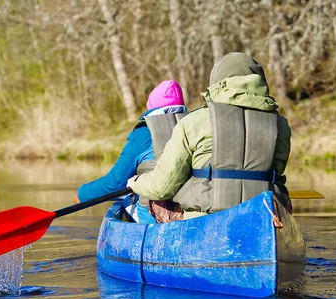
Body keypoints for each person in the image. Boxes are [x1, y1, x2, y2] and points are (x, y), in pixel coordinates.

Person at [127, 52, 292, 223]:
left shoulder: (193, 121)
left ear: (217, 82)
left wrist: (135, 183)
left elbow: (162, 186)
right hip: (265, 216)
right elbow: (277, 171)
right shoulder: (281, 125)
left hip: (205, 220)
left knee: (157, 198)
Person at [75, 80, 187, 223]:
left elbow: (114, 184)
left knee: (126, 199)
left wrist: (82, 194)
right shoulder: (193, 125)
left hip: (152, 219)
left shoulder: (144, 134)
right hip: (188, 214)